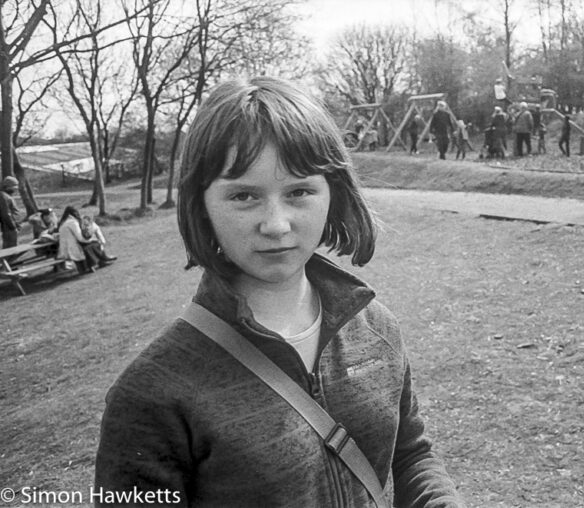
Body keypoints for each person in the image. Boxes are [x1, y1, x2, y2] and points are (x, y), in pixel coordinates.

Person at [94, 76, 464, 507]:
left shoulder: (377, 327)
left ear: (333, 194)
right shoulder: (151, 393)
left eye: (299, 191)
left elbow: (410, 455)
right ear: (202, 205)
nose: (276, 224)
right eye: (244, 196)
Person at [57, 206, 115, 273]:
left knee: (92, 244)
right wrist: (89, 240)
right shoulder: (72, 222)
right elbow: (80, 238)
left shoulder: (65, 221)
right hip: (72, 247)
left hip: (67, 246)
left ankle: (101, 260)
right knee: (94, 244)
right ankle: (101, 260)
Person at [0, 176, 22, 248]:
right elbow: (6, 214)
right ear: (7, 187)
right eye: (14, 187)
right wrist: (13, 227)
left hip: (13, 227)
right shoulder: (3, 196)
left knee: (14, 247)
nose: (15, 189)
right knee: (11, 249)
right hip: (9, 228)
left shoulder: (7, 196)